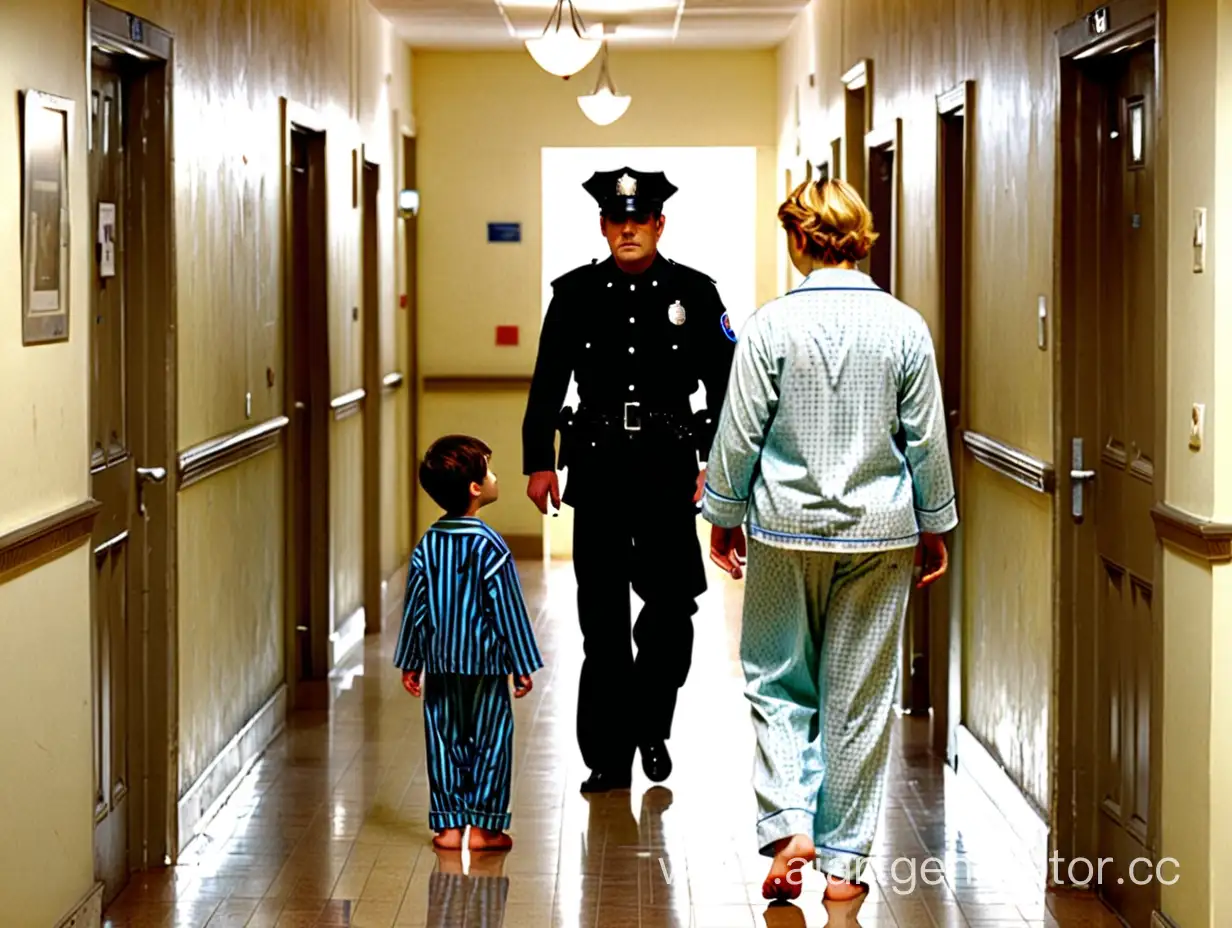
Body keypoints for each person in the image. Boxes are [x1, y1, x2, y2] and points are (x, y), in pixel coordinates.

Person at [703, 178, 957, 910]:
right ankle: (844, 862)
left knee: (778, 679)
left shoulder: (770, 327)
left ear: (799, 240)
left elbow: (739, 432)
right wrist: (935, 524)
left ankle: (788, 828)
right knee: (860, 697)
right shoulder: (905, 327)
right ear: (861, 238)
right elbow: (926, 441)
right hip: (882, 533)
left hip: (785, 532)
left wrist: (723, 513)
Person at [522, 167, 737, 793]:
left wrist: (719, 469)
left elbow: (727, 389)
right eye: (618, 221)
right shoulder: (576, 293)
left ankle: (651, 720)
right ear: (603, 226)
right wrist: (539, 459)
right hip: (598, 468)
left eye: (639, 219)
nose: (628, 229)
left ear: (659, 224)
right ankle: (608, 757)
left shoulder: (696, 294)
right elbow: (547, 381)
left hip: (670, 470)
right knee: (603, 620)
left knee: (672, 610)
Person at [394, 435, 544, 851]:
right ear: (475, 489)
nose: (496, 477)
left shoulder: (429, 544)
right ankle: (485, 828)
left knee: (442, 739)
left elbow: (416, 607)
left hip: (441, 664)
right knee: (492, 739)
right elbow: (507, 609)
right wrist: (521, 663)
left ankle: (448, 827)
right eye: (490, 471)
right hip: (485, 664)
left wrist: (412, 660)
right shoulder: (489, 545)